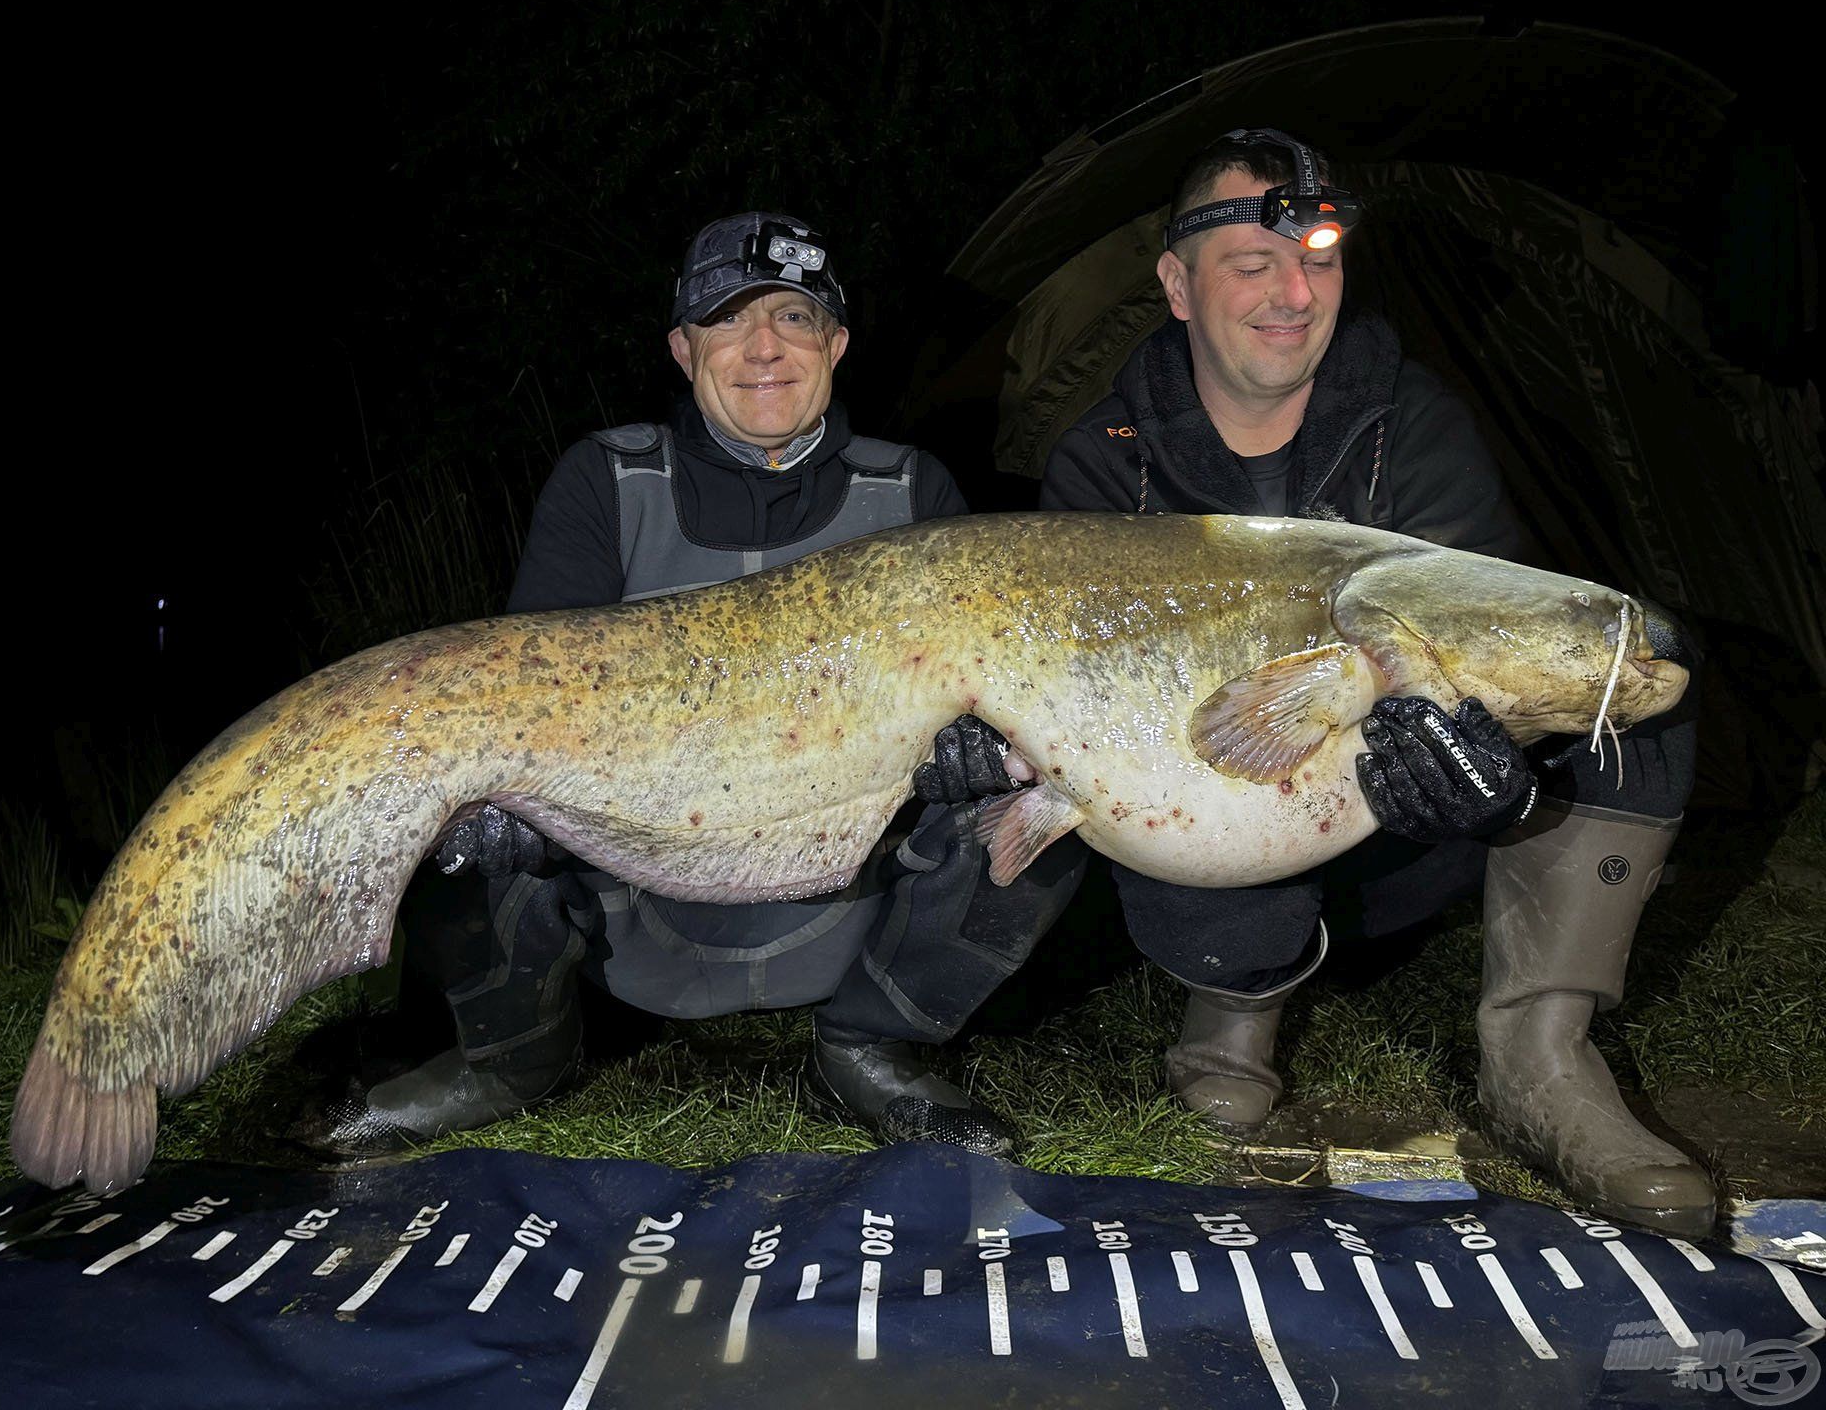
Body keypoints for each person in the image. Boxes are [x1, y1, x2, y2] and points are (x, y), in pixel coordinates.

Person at [1036, 130, 1711, 1235]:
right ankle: (1230, 1018)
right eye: (1253, 261)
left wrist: (1496, 778)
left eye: (1321, 258)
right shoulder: (1109, 459)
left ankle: (1540, 1058)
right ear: (1176, 284)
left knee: (1638, 679)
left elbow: (1491, 639)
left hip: (1401, 829)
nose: (1294, 293)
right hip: (1207, 846)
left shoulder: (1416, 425)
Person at [294, 213, 1078, 1161]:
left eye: (794, 318)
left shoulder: (916, 495)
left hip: (848, 891)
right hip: (638, 896)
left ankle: (876, 1045)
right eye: (726, 321)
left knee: (1054, 791)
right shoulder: (605, 480)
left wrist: (971, 751)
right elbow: (520, 698)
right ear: (681, 347)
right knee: (459, 789)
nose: (763, 349)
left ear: (835, 342)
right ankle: (509, 1058)